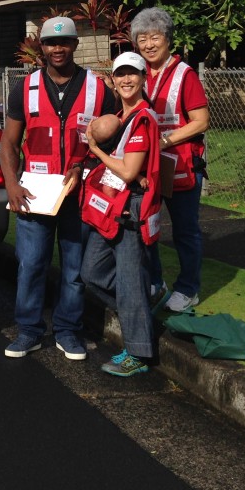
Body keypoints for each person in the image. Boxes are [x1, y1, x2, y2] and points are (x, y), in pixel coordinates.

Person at [0, 15, 118, 360]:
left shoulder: (99, 90)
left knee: (74, 267)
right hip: (34, 193)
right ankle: (29, 331)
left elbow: (111, 146)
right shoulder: (25, 87)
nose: (57, 48)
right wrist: (10, 184)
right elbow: (9, 143)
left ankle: (68, 331)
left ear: (75, 44)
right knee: (31, 263)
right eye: (51, 43)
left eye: (64, 42)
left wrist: (90, 169)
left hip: (78, 194)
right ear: (42, 47)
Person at [81, 52, 163, 377]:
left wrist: (95, 149)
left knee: (128, 283)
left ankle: (138, 355)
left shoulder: (142, 118)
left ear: (144, 79)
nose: (126, 80)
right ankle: (146, 296)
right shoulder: (121, 117)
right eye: (121, 75)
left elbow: (129, 172)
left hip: (131, 209)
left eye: (133, 74)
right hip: (114, 209)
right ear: (113, 80)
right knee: (91, 272)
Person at [131, 7, 210, 313]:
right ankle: (155, 282)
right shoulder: (137, 74)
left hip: (180, 164)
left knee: (185, 230)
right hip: (146, 166)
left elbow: (201, 121)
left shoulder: (184, 74)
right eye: (142, 38)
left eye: (155, 37)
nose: (149, 44)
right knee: (146, 225)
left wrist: (163, 140)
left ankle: (189, 289)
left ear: (167, 40)